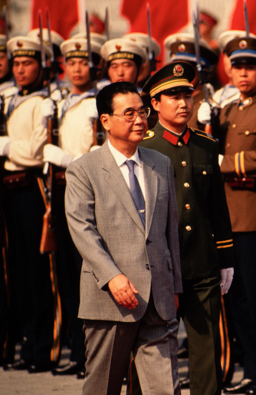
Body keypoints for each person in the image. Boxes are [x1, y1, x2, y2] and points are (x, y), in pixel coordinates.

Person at [64, 82, 182, 394]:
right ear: (105, 120)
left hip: (158, 298)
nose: (140, 120)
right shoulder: (84, 169)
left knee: (165, 388)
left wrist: (175, 286)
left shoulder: (160, 163)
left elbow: (170, 231)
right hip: (110, 299)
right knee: (104, 386)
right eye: (128, 114)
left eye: (142, 112)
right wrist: (112, 276)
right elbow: (82, 229)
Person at [140, 60, 235, 395]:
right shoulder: (144, 147)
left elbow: (216, 206)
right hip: (160, 263)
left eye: (186, 95)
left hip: (201, 261)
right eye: (172, 96)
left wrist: (225, 257)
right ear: (154, 103)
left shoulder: (206, 145)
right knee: (153, 347)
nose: (182, 103)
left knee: (206, 346)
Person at [205, 36, 256, 395]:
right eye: (237, 66)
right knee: (236, 301)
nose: (242, 73)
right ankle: (251, 370)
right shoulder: (229, 110)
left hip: (255, 216)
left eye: (250, 67)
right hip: (228, 218)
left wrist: (227, 163)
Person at [41, 37, 103, 379]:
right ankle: (78, 351)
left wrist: (69, 160)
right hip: (63, 189)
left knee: (89, 274)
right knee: (67, 274)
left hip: (90, 190)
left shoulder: (99, 102)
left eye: (83, 62)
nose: (76, 69)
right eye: (71, 63)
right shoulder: (63, 102)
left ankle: (95, 354)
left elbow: (104, 155)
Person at [0, 36, 58, 373]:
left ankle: (43, 348)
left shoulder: (43, 102)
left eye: (28, 64)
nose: (20, 70)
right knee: (16, 271)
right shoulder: (6, 99)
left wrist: (2, 145)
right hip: (8, 190)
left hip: (31, 187)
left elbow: (34, 153)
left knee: (37, 273)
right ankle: (25, 345)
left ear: (41, 66)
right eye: (16, 64)